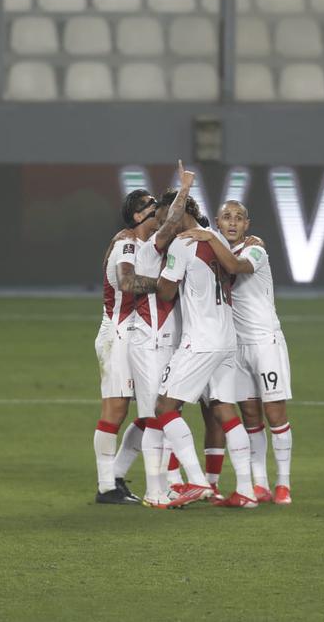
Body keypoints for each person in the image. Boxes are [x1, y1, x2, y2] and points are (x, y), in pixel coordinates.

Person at [179, 201, 294, 505]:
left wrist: (209, 236)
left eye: (239, 218)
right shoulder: (213, 253)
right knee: (250, 416)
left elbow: (236, 267)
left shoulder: (255, 250)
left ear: (247, 225)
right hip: (235, 345)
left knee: (274, 413)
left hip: (264, 341)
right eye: (226, 218)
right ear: (217, 221)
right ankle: (260, 484)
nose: (232, 223)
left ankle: (284, 484)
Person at [151, 203, 257, 509]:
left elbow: (166, 292)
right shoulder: (218, 238)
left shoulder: (183, 243)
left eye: (165, 219)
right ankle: (247, 490)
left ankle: (196, 481)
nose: (163, 227)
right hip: (227, 338)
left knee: (165, 405)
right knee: (225, 409)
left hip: (200, 340)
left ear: (179, 214)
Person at [129, 163, 197, 508]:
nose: (164, 218)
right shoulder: (149, 249)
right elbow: (173, 223)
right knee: (155, 417)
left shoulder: (169, 251)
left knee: (165, 414)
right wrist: (184, 187)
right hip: (147, 342)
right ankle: (154, 490)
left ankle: (165, 486)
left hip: (167, 340)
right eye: (158, 214)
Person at [92, 188, 160, 504]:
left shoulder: (142, 243)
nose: (157, 208)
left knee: (151, 411)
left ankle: (115, 476)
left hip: (133, 336)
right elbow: (127, 282)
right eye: (150, 204)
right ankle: (106, 486)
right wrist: (164, 285)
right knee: (116, 410)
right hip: (116, 335)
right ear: (137, 215)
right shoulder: (127, 244)